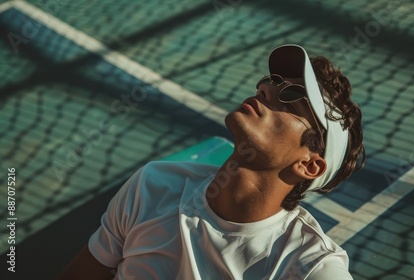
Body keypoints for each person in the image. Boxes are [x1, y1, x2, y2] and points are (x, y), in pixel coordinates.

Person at [58, 44, 365, 280]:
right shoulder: (153, 184)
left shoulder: (310, 267)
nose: (266, 88)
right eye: (271, 81)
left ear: (308, 166)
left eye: (293, 97)